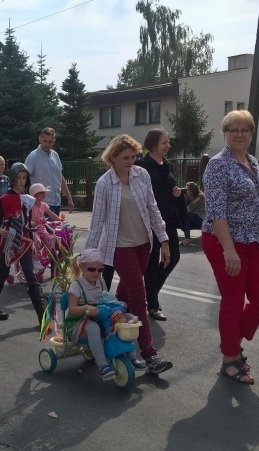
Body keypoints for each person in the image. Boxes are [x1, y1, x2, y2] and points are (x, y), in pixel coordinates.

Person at [201, 110, 259, 385]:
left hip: (254, 239)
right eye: (233, 130)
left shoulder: (251, 161)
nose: (239, 134)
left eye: (245, 130)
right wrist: (229, 250)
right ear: (224, 133)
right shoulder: (218, 165)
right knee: (233, 299)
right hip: (224, 240)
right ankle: (230, 358)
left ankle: (232, 341)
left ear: (251, 133)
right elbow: (216, 211)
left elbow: (248, 193)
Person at [86, 134, 174, 375]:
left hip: (143, 245)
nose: (130, 161)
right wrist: (88, 256)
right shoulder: (104, 183)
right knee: (138, 295)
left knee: (124, 294)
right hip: (120, 247)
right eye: (125, 157)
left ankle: (109, 330)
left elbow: (152, 209)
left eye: (133, 156)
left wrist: (164, 240)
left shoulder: (141, 175)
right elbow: (97, 223)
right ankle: (150, 354)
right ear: (113, 157)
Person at [65, 248, 148, 380]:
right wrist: (86, 307)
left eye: (100, 270)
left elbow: (107, 299)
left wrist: (119, 304)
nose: (96, 273)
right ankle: (102, 365)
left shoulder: (101, 282)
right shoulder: (76, 285)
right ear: (81, 267)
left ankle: (132, 356)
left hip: (101, 316)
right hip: (79, 323)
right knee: (93, 328)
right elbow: (72, 310)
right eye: (91, 269)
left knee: (130, 318)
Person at [0, 163, 47, 323]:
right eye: (19, 178)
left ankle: (43, 315)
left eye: (24, 178)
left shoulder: (28, 199)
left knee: (30, 275)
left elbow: (27, 224)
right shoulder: (4, 199)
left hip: (24, 242)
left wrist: (31, 242)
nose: (22, 181)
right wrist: (0, 229)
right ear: (13, 179)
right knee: (2, 274)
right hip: (8, 242)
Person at [133, 128, 184, 322]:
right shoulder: (142, 165)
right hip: (149, 220)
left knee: (173, 257)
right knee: (152, 263)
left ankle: (149, 293)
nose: (168, 145)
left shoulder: (167, 165)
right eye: (164, 142)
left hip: (167, 220)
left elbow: (167, 187)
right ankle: (153, 305)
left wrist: (176, 193)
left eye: (168, 142)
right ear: (153, 144)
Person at [24, 127, 74, 215]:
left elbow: (60, 177)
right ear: (40, 139)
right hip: (41, 205)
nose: (47, 144)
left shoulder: (55, 155)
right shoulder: (33, 157)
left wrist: (69, 198)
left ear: (54, 141)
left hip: (56, 203)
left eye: (50, 142)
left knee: (55, 224)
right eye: (45, 141)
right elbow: (24, 178)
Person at [181, 182, 205, 246]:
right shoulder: (189, 198)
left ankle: (187, 239)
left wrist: (193, 203)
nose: (185, 191)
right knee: (184, 220)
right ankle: (187, 238)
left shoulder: (199, 198)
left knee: (187, 217)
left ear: (192, 191)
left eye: (187, 190)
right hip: (195, 218)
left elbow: (187, 210)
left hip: (202, 219)